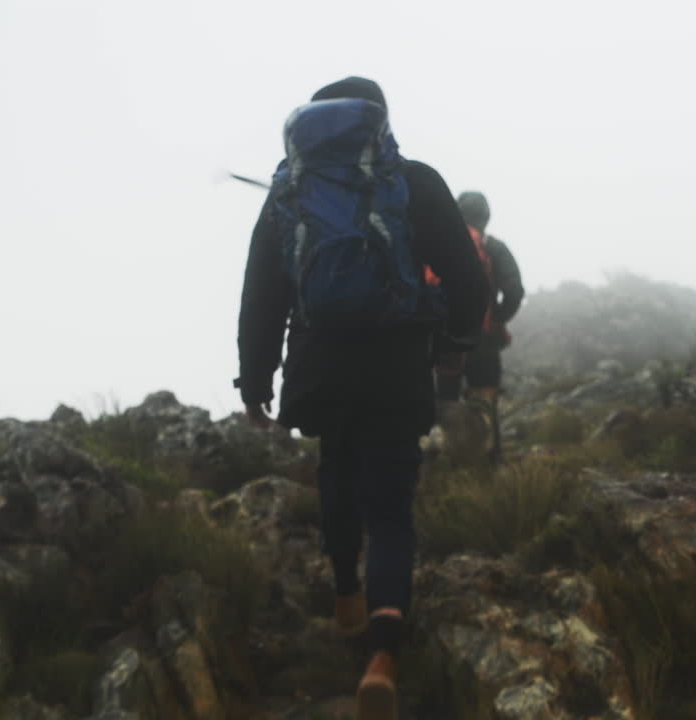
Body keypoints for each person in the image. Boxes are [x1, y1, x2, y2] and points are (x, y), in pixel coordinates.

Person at [236, 76, 488, 720]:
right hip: (398, 367)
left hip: (319, 370)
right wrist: (454, 341)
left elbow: (261, 297)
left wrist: (256, 381)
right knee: (392, 511)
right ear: (378, 119)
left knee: (336, 473)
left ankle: (346, 592)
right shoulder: (414, 181)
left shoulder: (290, 190)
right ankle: (382, 654)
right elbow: (465, 275)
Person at [434, 190, 525, 463]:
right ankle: (487, 462)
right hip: (482, 340)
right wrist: (497, 317)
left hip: (445, 339)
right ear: (486, 216)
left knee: (447, 401)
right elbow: (514, 290)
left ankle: (449, 459)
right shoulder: (494, 248)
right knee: (484, 399)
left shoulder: (440, 244)